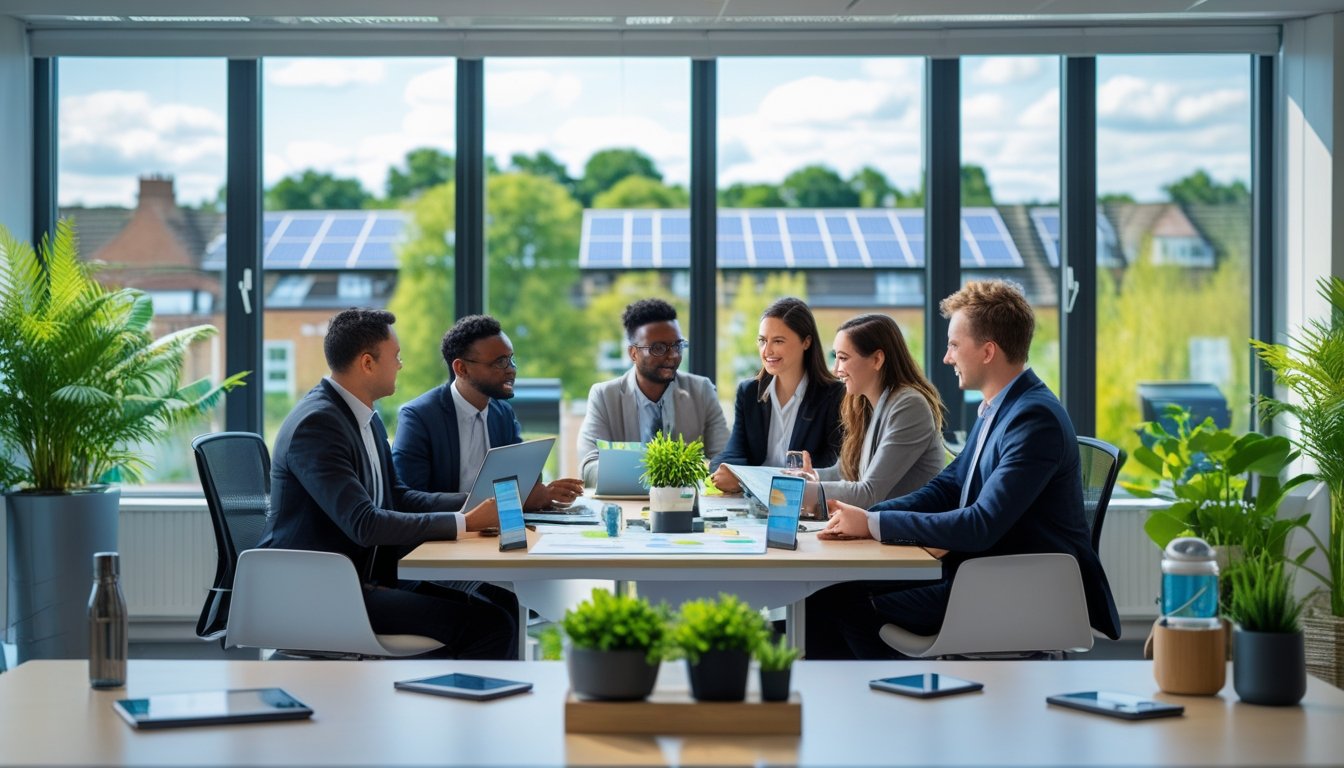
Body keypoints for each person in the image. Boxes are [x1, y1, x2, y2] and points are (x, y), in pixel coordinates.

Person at [805, 280, 1121, 659]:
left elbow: (980, 525)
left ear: (988, 351)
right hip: (983, 576)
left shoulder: (1034, 419)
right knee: (827, 596)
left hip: (1015, 589)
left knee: (837, 607)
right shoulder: (999, 409)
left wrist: (873, 525)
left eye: (955, 345)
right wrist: (866, 518)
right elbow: (946, 488)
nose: (946, 357)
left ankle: (894, 708)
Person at [262, 308, 517, 659]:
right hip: (322, 591)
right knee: (489, 625)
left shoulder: (364, 417)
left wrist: (475, 501)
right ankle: (442, 702)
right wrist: (466, 523)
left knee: (502, 602)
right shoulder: (317, 425)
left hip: (361, 577)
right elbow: (365, 523)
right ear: (367, 363)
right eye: (395, 357)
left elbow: (398, 496)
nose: (400, 365)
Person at [392, 314, 583, 510]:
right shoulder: (419, 416)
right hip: (445, 535)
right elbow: (407, 499)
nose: (511, 370)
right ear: (461, 368)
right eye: (500, 362)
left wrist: (544, 491)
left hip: (497, 530)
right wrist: (494, 502)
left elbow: (525, 480)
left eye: (511, 360)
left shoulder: (503, 414)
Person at [791, 313, 944, 508]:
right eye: (835, 357)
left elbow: (869, 493)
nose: (835, 368)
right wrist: (811, 476)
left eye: (843, 358)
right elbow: (844, 471)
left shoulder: (909, 406)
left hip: (908, 534)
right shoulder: (865, 405)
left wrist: (794, 491)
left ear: (877, 359)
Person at [577, 298, 729, 486]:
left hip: (684, 505)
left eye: (677, 345)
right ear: (633, 353)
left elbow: (723, 461)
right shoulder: (604, 396)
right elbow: (589, 467)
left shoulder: (701, 391)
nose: (673, 355)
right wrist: (662, 474)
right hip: (626, 507)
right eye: (659, 348)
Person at [708, 297, 844, 493]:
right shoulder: (749, 392)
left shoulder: (833, 395)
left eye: (778, 341)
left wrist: (744, 479)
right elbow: (733, 453)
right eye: (762, 341)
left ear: (806, 342)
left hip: (801, 502)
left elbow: (829, 467)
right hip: (754, 502)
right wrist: (727, 471)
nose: (767, 350)